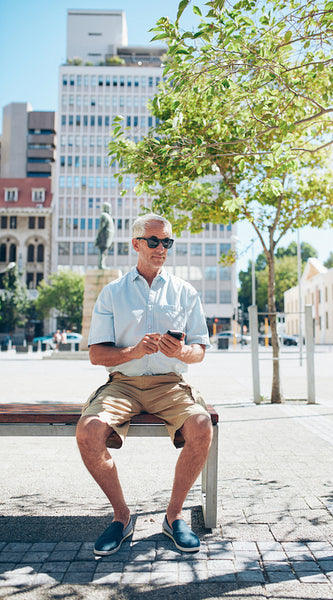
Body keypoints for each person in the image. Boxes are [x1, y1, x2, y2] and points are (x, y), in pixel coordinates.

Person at [76, 213, 213, 556]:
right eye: (153, 241)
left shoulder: (185, 291)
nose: (161, 248)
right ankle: (121, 518)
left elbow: (199, 351)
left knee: (201, 424)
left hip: (170, 383)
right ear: (135, 244)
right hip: (123, 383)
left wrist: (181, 350)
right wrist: (133, 351)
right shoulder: (112, 293)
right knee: (88, 430)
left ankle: (174, 515)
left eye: (167, 242)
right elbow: (96, 355)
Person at [95, 202, 115, 269]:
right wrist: (98, 237)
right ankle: (101, 265)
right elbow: (101, 227)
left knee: (105, 251)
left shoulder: (108, 216)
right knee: (102, 251)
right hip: (104, 237)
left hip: (107, 237)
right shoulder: (104, 215)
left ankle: (102, 264)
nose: (109, 210)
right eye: (108, 208)